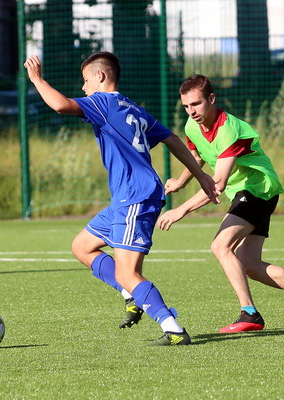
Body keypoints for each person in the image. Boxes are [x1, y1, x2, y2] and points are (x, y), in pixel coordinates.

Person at [24, 52, 220, 346]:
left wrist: (37, 79)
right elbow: (172, 139)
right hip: (126, 199)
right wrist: (200, 175)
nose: (83, 88)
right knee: (82, 247)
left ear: (100, 76)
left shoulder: (102, 103)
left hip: (134, 197)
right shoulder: (134, 109)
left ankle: (173, 329)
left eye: (85, 80)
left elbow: (60, 105)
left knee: (128, 273)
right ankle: (131, 295)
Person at [157, 74, 284, 333]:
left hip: (257, 189)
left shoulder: (230, 130)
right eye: (186, 106)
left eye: (196, 104)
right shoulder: (192, 126)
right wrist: (181, 182)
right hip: (247, 192)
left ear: (211, 99)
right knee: (249, 264)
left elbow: (218, 183)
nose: (191, 111)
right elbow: (197, 156)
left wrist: (181, 209)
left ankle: (249, 313)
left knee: (220, 246)